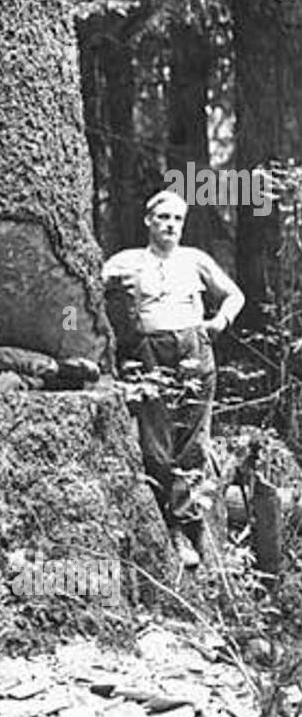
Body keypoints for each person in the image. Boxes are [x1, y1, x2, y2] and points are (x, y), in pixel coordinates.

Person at [102, 189, 245, 569]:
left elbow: (234, 295)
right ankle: (168, 522)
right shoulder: (126, 262)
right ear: (149, 221)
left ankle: (187, 523)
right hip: (150, 353)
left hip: (195, 349)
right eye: (163, 217)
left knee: (194, 442)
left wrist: (219, 322)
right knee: (156, 443)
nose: (170, 225)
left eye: (177, 219)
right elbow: (86, 290)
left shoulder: (194, 260)